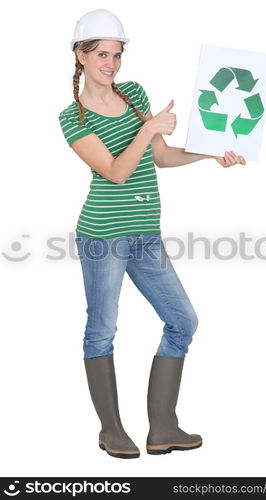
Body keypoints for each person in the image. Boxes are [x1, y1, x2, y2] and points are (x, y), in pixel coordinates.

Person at [58, 8, 246, 460]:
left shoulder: (136, 94)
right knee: (101, 331)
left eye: (117, 55)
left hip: (145, 235)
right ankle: (111, 430)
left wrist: (208, 155)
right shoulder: (73, 118)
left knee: (183, 321)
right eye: (102, 54)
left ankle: (163, 426)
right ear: (80, 56)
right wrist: (147, 130)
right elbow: (117, 173)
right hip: (103, 236)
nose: (112, 63)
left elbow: (159, 158)